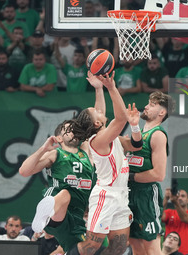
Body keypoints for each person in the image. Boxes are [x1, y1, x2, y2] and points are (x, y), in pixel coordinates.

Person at [63, 71, 143, 255]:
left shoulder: (103, 132)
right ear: (97, 123)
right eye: (97, 112)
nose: (100, 110)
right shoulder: (98, 140)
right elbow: (121, 118)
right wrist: (111, 87)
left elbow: (100, 111)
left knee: (119, 247)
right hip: (106, 196)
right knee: (91, 246)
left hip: (121, 194)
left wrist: (99, 89)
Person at [19, 75, 97, 252]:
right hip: (57, 212)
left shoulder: (86, 151)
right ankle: (44, 213)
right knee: (65, 194)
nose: (73, 131)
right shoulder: (55, 153)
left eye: (74, 129)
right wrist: (43, 148)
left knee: (88, 248)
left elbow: (94, 118)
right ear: (59, 138)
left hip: (77, 216)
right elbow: (24, 171)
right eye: (68, 130)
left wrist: (98, 88)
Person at [128, 91, 176, 255]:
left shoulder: (157, 135)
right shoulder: (138, 134)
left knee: (151, 247)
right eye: (148, 103)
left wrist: (129, 176)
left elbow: (158, 174)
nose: (146, 106)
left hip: (146, 195)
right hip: (129, 193)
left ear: (162, 112)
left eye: (152, 104)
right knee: (135, 244)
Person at [162, 189, 188, 255]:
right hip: (169, 252)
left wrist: (175, 203)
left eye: (183, 196)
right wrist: (166, 198)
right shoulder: (169, 212)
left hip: (187, 253)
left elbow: (185, 218)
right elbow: (159, 216)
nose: (179, 198)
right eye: (178, 196)